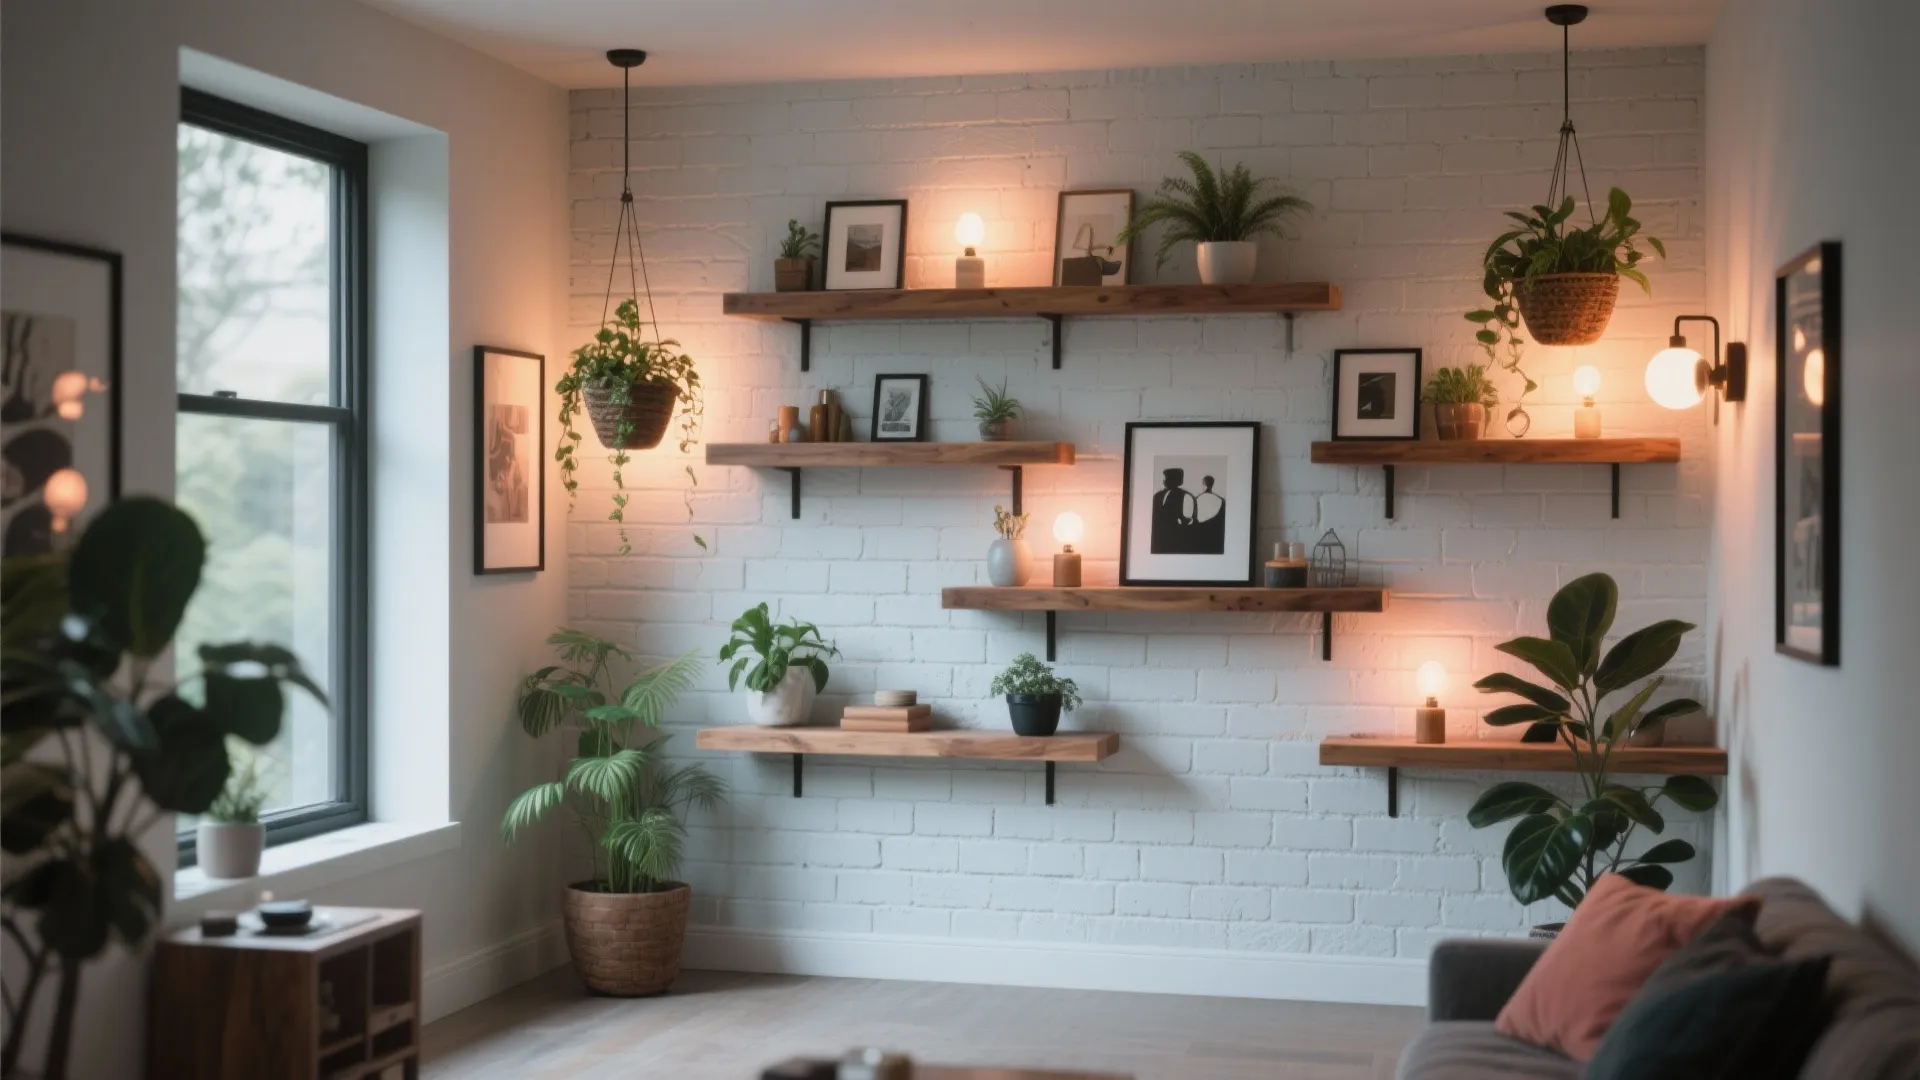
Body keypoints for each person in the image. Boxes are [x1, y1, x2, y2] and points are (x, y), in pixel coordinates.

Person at [1150, 467, 1197, 554]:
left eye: (1168, 478)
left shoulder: (1185, 496)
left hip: (1176, 540)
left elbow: (1189, 521)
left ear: (1177, 480)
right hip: (1159, 540)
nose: (1165, 480)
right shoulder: (1157, 495)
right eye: (1165, 478)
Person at [1191, 475, 1226, 554]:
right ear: (1212, 484)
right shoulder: (1221, 500)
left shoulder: (1195, 500)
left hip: (1199, 537)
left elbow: (1193, 519)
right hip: (1215, 538)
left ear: (1203, 484)